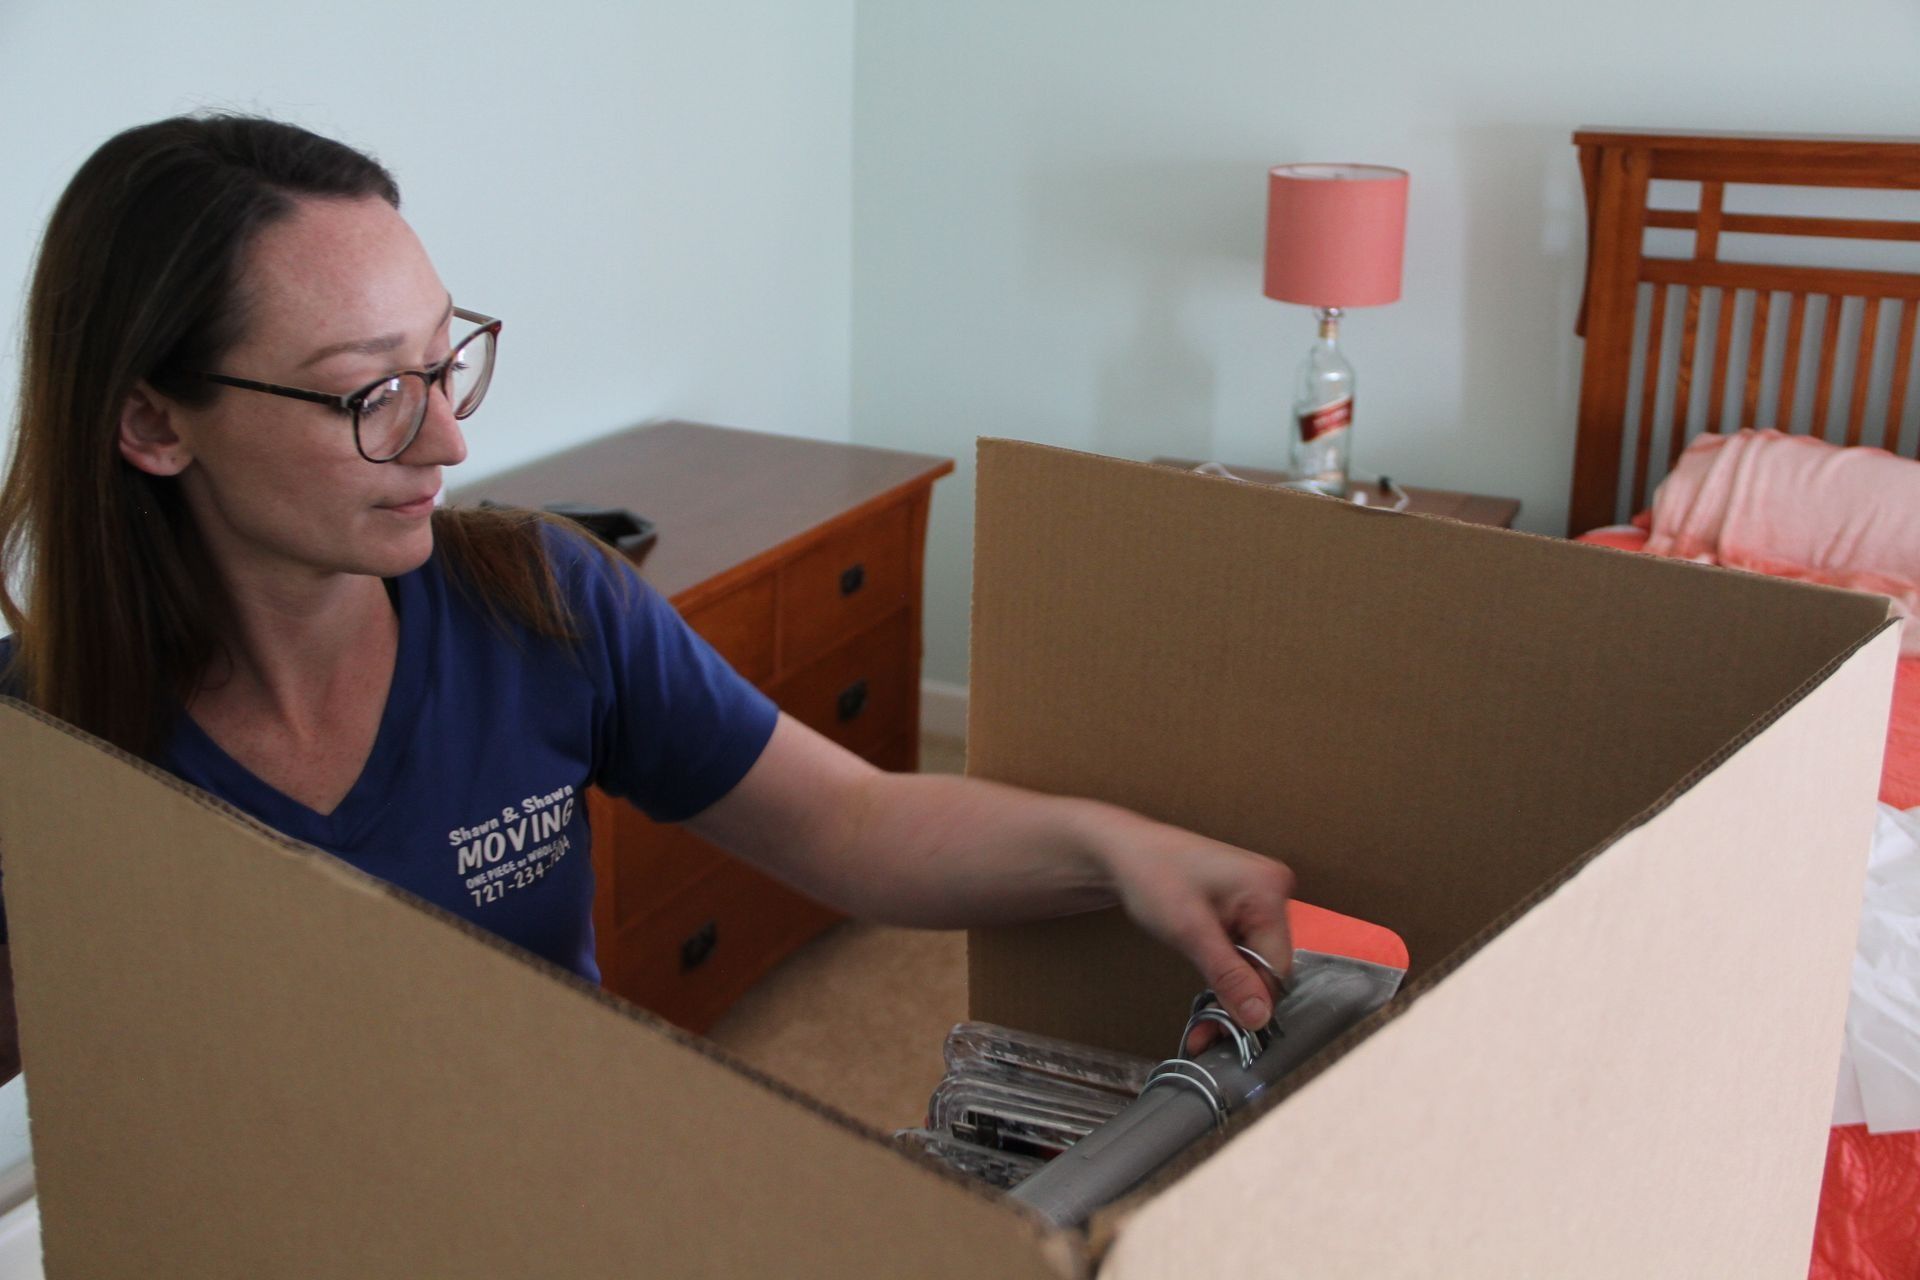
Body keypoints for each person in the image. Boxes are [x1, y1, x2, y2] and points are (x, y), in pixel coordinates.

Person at [0, 114, 1293, 1085]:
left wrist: (1114, 850)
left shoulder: (542, 599)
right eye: (367, 393)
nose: (448, 442)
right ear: (152, 423)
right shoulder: (41, 747)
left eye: (444, 362)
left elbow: (848, 822)